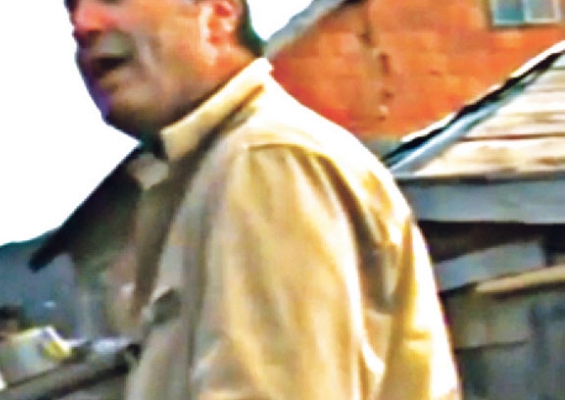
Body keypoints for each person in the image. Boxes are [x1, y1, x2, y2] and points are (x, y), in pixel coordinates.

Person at [62, 0, 462, 399]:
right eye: (71, 8)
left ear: (218, 14)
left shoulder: (264, 160)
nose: (83, 24)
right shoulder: (213, 172)